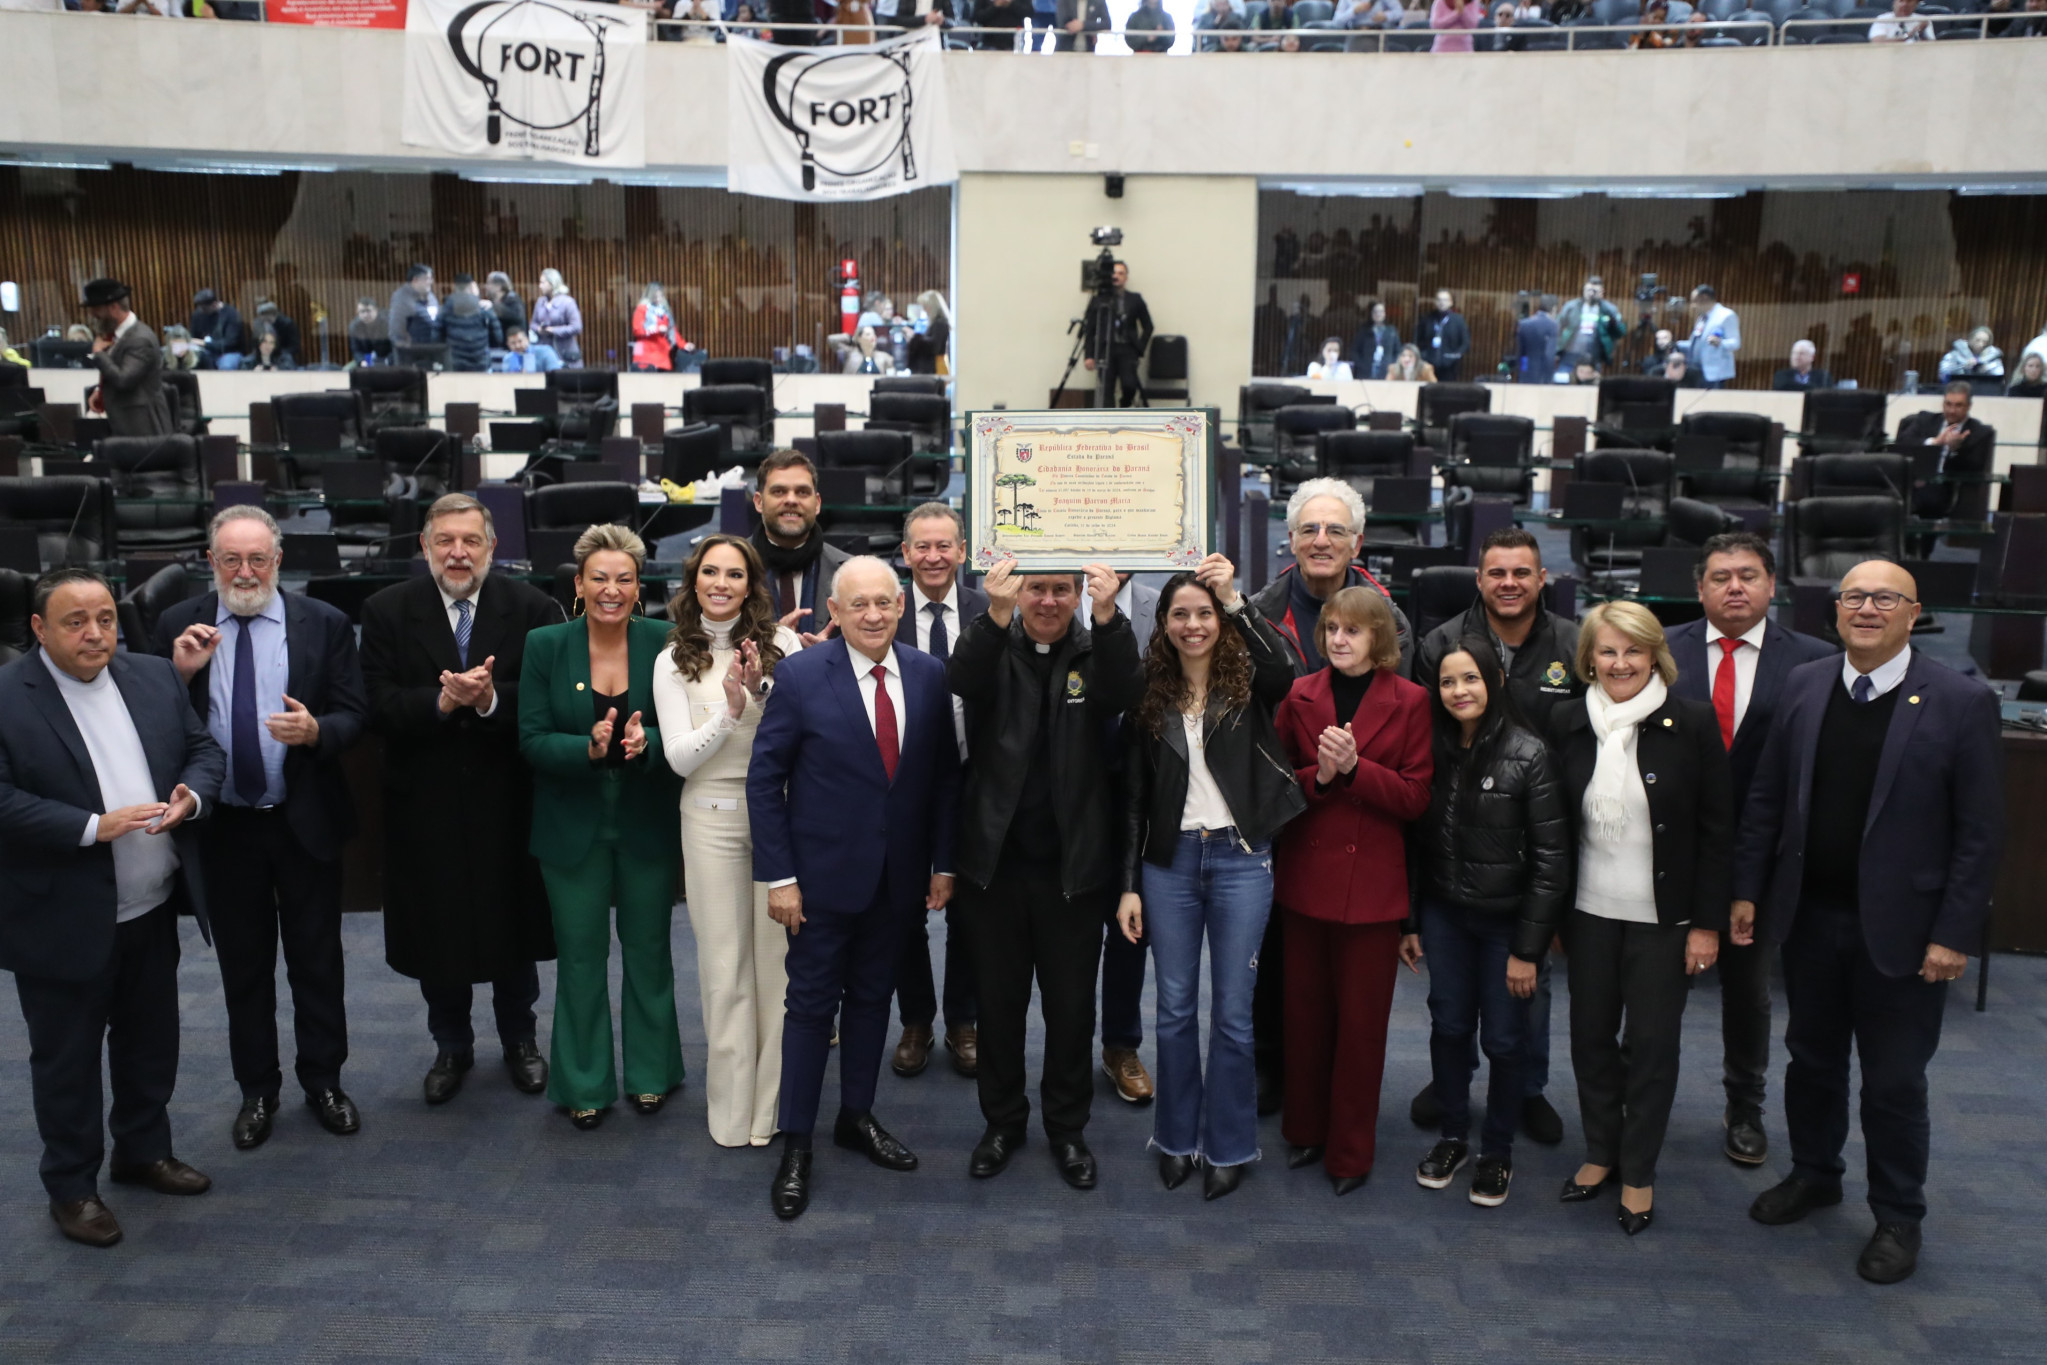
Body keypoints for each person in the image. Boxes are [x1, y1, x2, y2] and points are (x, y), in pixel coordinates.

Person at [1734, 561, 2001, 1285]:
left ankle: (1898, 1214)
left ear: (1914, 613)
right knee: (1811, 1061)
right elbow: (1766, 799)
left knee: (1892, 1082)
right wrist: (1748, 890)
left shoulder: (1961, 700)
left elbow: (1979, 834)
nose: (1866, 608)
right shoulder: (1804, 684)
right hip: (1810, 918)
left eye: (1885, 597)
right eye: (1853, 596)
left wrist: (1954, 933)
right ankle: (1815, 1172)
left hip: (1906, 933)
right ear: (1835, 609)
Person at [0, 568, 224, 1248]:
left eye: (105, 618)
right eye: (75, 621)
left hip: (151, 905)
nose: (94, 633)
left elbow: (201, 749)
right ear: (39, 628)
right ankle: (72, 1187)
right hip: (60, 915)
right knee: (66, 1061)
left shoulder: (152, 676)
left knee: (150, 1042)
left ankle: (142, 1151)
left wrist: (191, 797)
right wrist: (93, 827)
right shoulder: (7, 696)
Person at [749, 556, 962, 1221]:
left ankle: (856, 1116)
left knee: (873, 1000)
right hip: (817, 883)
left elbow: (943, 778)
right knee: (811, 1008)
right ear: (834, 612)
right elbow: (765, 779)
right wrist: (780, 877)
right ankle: (796, 1142)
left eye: (883, 602)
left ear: (900, 606)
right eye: (857, 604)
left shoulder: (928, 674)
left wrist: (943, 862)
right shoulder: (800, 675)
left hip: (898, 880)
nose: (873, 615)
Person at [153, 507, 369, 1151]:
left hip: (302, 818)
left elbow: (355, 714)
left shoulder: (323, 623)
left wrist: (318, 731)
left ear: (278, 561)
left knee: (317, 962)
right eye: (231, 560)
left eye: (257, 559)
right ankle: (257, 1090)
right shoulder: (176, 624)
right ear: (211, 562)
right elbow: (151, 719)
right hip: (224, 827)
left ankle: (324, 1081)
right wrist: (179, 674)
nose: (244, 572)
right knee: (243, 969)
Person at [358, 494, 561, 1108]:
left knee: (512, 922)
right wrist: (442, 702)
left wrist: (489, 701)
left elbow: (549, 700)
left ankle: (521, 1040)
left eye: (471, 541)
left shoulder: (533, 608)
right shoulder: (387, 610)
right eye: (444, 540)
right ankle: (451, 1045)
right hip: (426, 802)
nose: (457, 553)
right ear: (424, 546)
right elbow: (376, 706)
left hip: (508, 800)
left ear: (492, 547)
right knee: (437, 928)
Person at [949, 557, 1140, 1189]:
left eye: (1062, 589)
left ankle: (1067, 1130)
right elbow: (960, 678)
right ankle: (1002, 1124)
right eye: (1038, 589)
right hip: (995, 867)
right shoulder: (992, 643)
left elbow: (1125, 692)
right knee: (998, 1008)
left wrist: (1108, 618)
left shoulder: (1095, 650)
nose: (1050, 601)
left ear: (1079, 594)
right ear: (1019, 591)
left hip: (1074, 870)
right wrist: (995, 614)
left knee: (1071, 1011)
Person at [1118, 555, 1306, 1201]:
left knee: (1232, 1014)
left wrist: (1234, 601)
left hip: (1240, 859)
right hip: (1167, 863)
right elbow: (1133, 798)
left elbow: (1287, 670)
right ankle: (1176, 1139)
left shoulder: (1249, 680)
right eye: (1181, 614)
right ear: (1164, 623)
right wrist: (1128, 883)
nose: (1193, 625)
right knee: (1173, 1010)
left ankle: (1228, 1144)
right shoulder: (1148, 692)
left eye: (1204, 613)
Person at [1549, 601, 1732, 1236]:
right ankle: (1601, 1150)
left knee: (1653, 1047)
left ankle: (1638, 1170)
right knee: (1590, 1040)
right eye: (1607, 650)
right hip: (1588, 914)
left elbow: (1717, 832)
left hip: (1665, 920)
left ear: (1655, 655)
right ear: (1588, 659)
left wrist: (1706, 924)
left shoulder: (1693, 723)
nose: (1620, 663)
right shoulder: (1568, 720)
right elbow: (1552, 827)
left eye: (1633, 650)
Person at [1665, 532, 1835, 1166]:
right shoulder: (1662, 649)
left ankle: (1745, 1105)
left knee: (1748, 991)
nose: (1734, 587)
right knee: (1656, 987)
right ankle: (1639, 1096)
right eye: (1720, 577)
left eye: (1748, 575)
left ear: (1772, 585)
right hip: (1669, 853)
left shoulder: (1815, 661)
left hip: (1760, 857)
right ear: (1699, 589)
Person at [1247, 478, 1416, 1111]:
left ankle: (1333, 1089)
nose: (1322, 541)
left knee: (1350, 983)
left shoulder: (1392, 619)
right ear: (1290, 540)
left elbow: (1403, 721)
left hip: (1362, 823)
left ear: (1357, 543)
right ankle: (1274, 1066)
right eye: (1310, 530)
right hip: (1277, 811)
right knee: (1277, 957)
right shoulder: (1257, 613)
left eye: (1336, 530)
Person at [1410, 526, 1582, 1144]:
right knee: (1452, 1002)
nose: (1509, 583)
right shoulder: (1440, 643)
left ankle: (1527, 1087)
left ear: (1542, 578)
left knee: (1528, 985)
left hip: (1540, 838)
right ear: (1479, 579)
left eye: (1521, 573)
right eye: (1497, 573)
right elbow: (1422, 736)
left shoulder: (1573, 644)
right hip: (1458, 838)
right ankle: (1452, 1082)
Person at [518, 525, 683, 1131]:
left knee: (649, 952)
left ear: (639, 589)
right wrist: (585, 748)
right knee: (581, 958)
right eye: (599, 579)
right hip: (571, 828)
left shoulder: (665, 643)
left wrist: (648, 742)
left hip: (646, 821)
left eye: (624, 579)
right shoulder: (545, 644)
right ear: (579, 586)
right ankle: (584, 1082)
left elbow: (687, 728)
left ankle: (652, 1073)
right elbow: (531, 738)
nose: (611, 590)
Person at [1272, 586, 1432, 1196]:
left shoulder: (1411, 701)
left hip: (1372, 889)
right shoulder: (1299, 694)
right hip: (1306, 880)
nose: (1339, 639)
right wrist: (1322, 776)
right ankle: (1305, 1130)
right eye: (1333, 628)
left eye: (1354, 630)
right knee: (1304, 1018)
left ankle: (1349, 1153)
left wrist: (1358, 771)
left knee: (1362, 1030)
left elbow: (1416, 798)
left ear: (1379, 638)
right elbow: (1277, 786)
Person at [652, 535, 804, 1148]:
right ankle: (732, 1114)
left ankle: (770, 1112)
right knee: (725, 972)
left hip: (777, 822)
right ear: (694, 581)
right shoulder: (672, 659)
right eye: (710, 572)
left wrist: (761, 691)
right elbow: (680, 760)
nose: (721, 583)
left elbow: (797, 736)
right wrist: (731, 710)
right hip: (708, 822)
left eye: (734, 574)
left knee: (777, 974)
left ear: (751, 585)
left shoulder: (784, 646)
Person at [1410, 636, 1567, 1209]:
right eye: (1448, 682)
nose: (1459, 691)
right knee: (1449, 1027)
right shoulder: (1432, 749)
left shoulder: (1530, 753)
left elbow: (1552, 861)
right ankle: (1454, 1136)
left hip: (1507, 928)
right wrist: (1410, 922)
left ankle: (1497, 1150)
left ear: (1495, 682)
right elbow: (1415, 845)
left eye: (1470, 678)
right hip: (1445, 918)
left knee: (1504, 1040)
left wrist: (1528, 949)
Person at [889, 504, 988, 1081]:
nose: (933, 557)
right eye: (921, 547)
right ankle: (916, 1020)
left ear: (962, 551)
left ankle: (963, 1020)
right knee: (903, 908)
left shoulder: (990, 610)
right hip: (900, 782)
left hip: (976, 781)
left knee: (970, 910)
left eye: (943, 545)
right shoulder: (885, 611)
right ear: (905, 554)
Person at [751, 450, 851, 647]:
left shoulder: (850, 571)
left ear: (817, 504)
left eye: (802, 492)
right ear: (759, 502)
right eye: (779, 491)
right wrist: (773, 645)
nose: (791, 500)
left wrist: (830, 654)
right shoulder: (728, 569)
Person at [79, 279, 173, 438]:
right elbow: (117, 368)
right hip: (124, 423)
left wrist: (99, 354)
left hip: (142, 429)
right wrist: (100, 391)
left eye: (97, 311)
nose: (93, 316)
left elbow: (124, 380)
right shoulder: (117, 336)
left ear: (114, 308)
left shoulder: (140, 339)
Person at [1898, 381, 1994, 533]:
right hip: (1911, 480)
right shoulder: (1925, 420)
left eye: (1958, 405)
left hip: (1943, 487)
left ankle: (1920, 544)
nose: (1952, 410)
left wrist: (1954, 450)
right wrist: (1935, 442)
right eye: (1948, 404)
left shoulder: (1979, 432)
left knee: (1927, 499)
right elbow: (1903, 442)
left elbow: (1975, 467)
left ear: (1969, 406)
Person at [1081, 261, 1154, 408]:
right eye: (1114, 273)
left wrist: (1139, 348)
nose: (1116, 276)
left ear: (1126, 277)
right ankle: (1110, 419)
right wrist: (1089, 355)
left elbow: (1148, 326)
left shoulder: (1135, 299)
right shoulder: (1098, 300)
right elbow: (1090, 329)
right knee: (1106, 390)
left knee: (1129, 385)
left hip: (1127, 349)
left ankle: (1124, 407)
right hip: (1105, 349)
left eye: (1121, 273)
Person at [1556, 277, 1625, 372]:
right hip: (1570, 354)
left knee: (1591, 380)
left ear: (1601, 292)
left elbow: (1620, 332)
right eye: (1588, 290)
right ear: (1583, 290)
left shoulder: (1609, 309)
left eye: (1595, 291)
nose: (1591, 294)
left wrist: (1613, 320)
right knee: (1563, 378)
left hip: (1594, 357)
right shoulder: (1571, 307)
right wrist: (1557, 346)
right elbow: (1558, 326)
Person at [1685, 284, 1741, 389]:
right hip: (1696, 370)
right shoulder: (1702, 317)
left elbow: (1735, 343)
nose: (1692, 306)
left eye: (1694, 301)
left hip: (1713, 372)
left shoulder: (1726, 315)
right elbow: (1697, 341)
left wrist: (1720, 343)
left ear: (1704, 299)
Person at [440, 279, 503, 373]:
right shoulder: (484, 308)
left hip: (455, 361)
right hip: (480, 361)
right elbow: (498, 337)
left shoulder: (446, 309)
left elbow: (437, 335)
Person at [632, 283, 693, 371]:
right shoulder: (641, 309)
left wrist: (684, 345)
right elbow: (637, 330)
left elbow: (672, 331)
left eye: (660, 296)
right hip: (646, 355)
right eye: (656, 297)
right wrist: (657, 329)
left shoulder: (664, 310)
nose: (659, 299)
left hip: (662, 354)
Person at [531, 269, 584, 366]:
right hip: (544, 352)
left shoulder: (567, 302)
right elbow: (533, 324)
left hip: (565, 353)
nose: (540, 286)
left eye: (543, 282)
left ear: (552, 283)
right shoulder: (540, 302)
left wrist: (553, 330)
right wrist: (539, 329)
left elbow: (576, 327)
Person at [188, 288, 247, 371]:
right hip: (205, 351)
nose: (201, 311)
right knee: (190, 362)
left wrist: (204, 343)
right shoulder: (198, 314)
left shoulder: (231, 315)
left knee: (226, 366)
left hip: (229, 352)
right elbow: (193, 336)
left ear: (214, 304)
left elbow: (230, 343)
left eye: (204, 308)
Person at [1418, 289, 1470, 378]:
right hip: (1428, 365)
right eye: (1439, 300)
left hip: (1451, 367)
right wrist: (1424, 355)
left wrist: (1454, 356)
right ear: (1435, 302)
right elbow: (1417, 339)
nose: (1442, 302)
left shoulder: (1458, 320)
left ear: (1451, 302)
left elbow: (1465, 343)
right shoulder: (1426, 319)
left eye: (1445, 300)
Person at [388, 265, 440, 352]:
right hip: (412, 352)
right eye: (427, 278)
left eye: (431, 278)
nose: (431, 282)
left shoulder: (431, 297)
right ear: (415, 280)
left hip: (431, 349)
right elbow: (396, 329)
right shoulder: (402, 298)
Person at [1352, 300, 1402, 382]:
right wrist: (1363, 365)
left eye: (1381, 311)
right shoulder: (1363, 331)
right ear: (1371, 314)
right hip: (1366, 373)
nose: (1378, 314)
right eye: (1375, 312)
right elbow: (1354, 351)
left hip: (1386, 373)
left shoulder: (1392, 331)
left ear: (1385, 314)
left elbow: (1398, 352)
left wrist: (1391, 365)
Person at [1516, 294, 1560, 384]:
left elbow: (1520, 352)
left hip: (1525, 371)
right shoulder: (1553, 325)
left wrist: (1522, 369)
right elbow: (1549, 354)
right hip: (1543, 374)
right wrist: (1549, 376)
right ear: (1554, 308)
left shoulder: (1523, 324)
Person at [1937, 325, 2004, 381]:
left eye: (1985, 342)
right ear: (1970, 339)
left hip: (1983, 391)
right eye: (1977, 340)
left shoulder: (1993, 356)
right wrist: (1963, 368)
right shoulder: (1954, 354)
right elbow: (1943, 375)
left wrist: (1987, 371)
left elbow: (2000, 378)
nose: (1981, 344)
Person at [828, 324, 897, 376]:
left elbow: (892, 379)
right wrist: (851, 339)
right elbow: (831, 340)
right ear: (859, 338)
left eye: (874, 334)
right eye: (868, 334)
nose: (873, 337)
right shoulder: (850, 353)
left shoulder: (885, 357)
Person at [501, 326, 565, 373]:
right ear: (508, 345)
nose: (517, 346)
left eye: (520, 341)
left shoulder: (546, 351)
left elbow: (555, 375)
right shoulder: (507, 358)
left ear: (527, 340)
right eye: (513, 343)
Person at [253, 301, 299, 366]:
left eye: (262, 315)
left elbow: (295, 346)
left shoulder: (287, 324)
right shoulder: (259, 323)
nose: (261, 318)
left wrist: (277, 353)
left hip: (282, 356)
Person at [348, 298, 391, 366]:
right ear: (357, 312)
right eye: (362, 311)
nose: (365, 315)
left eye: (368, 311)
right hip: (366, 360)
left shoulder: (387, 323)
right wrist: (362, 361)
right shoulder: (354, 327)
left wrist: (388, 361)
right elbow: (356, 350)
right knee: (346, 369)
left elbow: (395, 347)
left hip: (388, 360)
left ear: (376, 310)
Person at [485, 271, 527, 336]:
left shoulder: (513, 298)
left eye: (489, 283)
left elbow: (515, 316)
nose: (486, 286)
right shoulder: (495, 301)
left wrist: (492, 306)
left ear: (498, 286)